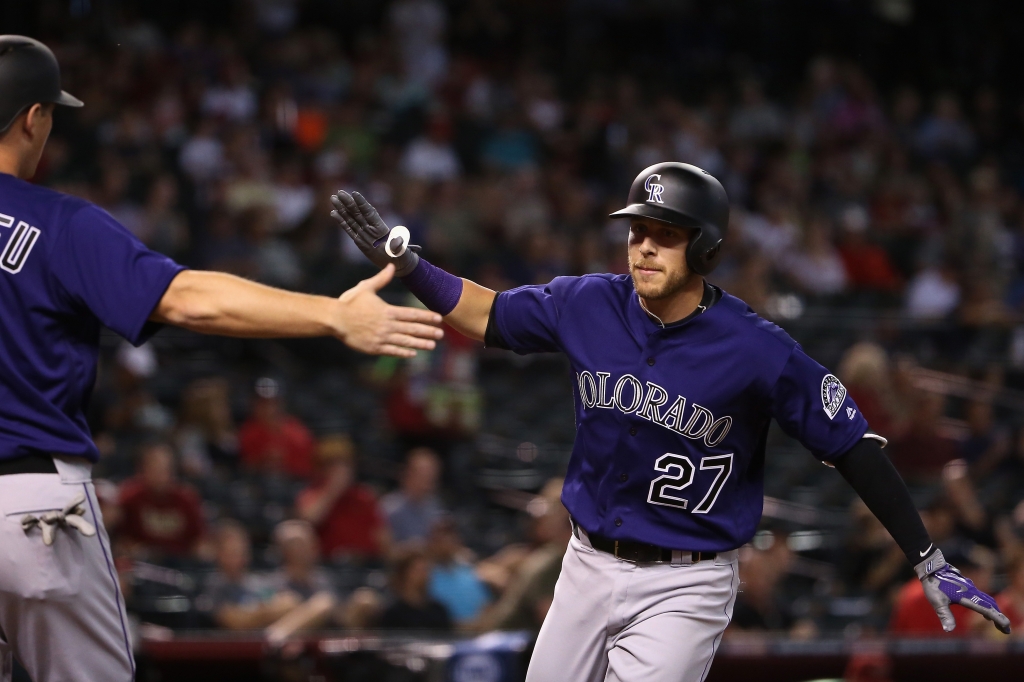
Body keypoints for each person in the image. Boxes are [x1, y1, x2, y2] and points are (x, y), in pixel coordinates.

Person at [331, 161, 1010, 682]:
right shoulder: (588, 303)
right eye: (637, 232)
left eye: (665, 236)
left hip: (688, 579)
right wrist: (411, 264)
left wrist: (925, 555)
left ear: (705, 250)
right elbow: (487, 314)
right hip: (586, 563)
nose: (645, 248)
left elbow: (853, 445)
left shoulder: (757, 348)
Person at [0, 36, 442, 682]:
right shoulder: (59, 223)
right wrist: (332, 313)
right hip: (33, 502)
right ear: (33, 117)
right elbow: (188, 300)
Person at [295, 435, 390, 561]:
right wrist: (332, 491)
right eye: (335, 465)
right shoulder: (311, 494)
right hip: (329, 564)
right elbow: (309, 521)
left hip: (365, 564)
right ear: (323, 469)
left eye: (346, 465)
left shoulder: (364, 496)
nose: (343, 471)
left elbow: (382, 536)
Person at [117, 442, 207, 560]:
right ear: (144, 470)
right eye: (155, 469)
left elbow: (200, 540)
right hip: (143, 564)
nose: (161, 476)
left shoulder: (187, 499)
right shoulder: (130, 498)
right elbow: (121, 540)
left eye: (165, 469)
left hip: (180, 564)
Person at [238, 377, 316, 478]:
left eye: (272, 403)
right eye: (262, 403)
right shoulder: (248, 433)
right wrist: (262, 461)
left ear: (281, 404)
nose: (268, 409)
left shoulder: (297, 433)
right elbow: (246, 468)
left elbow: (307, 471)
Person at [381, 447, 445, 545]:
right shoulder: (389, 508)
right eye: (423, 474)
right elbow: (385, 550)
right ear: (407, 473)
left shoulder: (435, 506)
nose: (428, 480)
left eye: (432, 474)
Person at [380, 547, 453, 631]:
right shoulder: (392, 613)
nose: (424, 575)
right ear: (403, 574)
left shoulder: (439, 610)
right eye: (418, 570)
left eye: (426, 570)